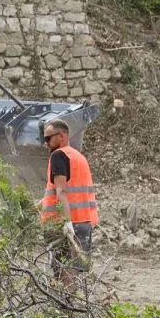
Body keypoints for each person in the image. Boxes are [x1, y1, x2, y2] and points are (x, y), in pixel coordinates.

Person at [39, 119, 99, 279]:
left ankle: (64, 303)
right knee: (75, 272)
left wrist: (66, 221)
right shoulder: (79, 157)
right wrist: (39, 205)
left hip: (63, 224)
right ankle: (71, 303)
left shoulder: (58, 155)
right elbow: (71, 190)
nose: (45, 143)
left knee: (63, 274)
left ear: (62, 136)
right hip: (84, 223)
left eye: (48, 138)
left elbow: (62, 192)